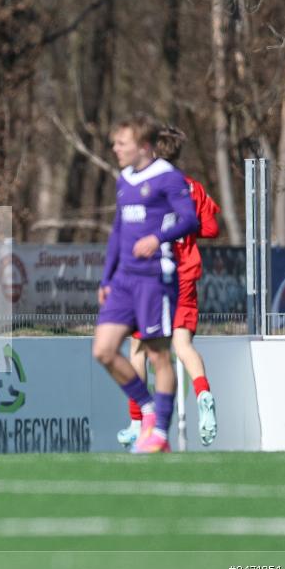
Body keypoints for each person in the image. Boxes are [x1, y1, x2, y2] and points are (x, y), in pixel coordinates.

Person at [94, 113, 198, 454]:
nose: (115, 148)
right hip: (124, 280)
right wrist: (107, 278)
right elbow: (118, 231)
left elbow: (190, 219)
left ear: (143, 146)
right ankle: (149, 409)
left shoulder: (168, 177)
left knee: (158, 356)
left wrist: (158, 237)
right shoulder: (124, 179)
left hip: (155, 278)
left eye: (121, 143)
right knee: (104, 350)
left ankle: (160, 434)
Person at [118, 126, 221, 449]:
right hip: (186, 275)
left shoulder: (144, 186)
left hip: (154, 276)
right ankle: (203, 394)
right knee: (183, 345)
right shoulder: (192, 187)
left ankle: (138, 421)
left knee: (138, 348)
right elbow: (211, 228)